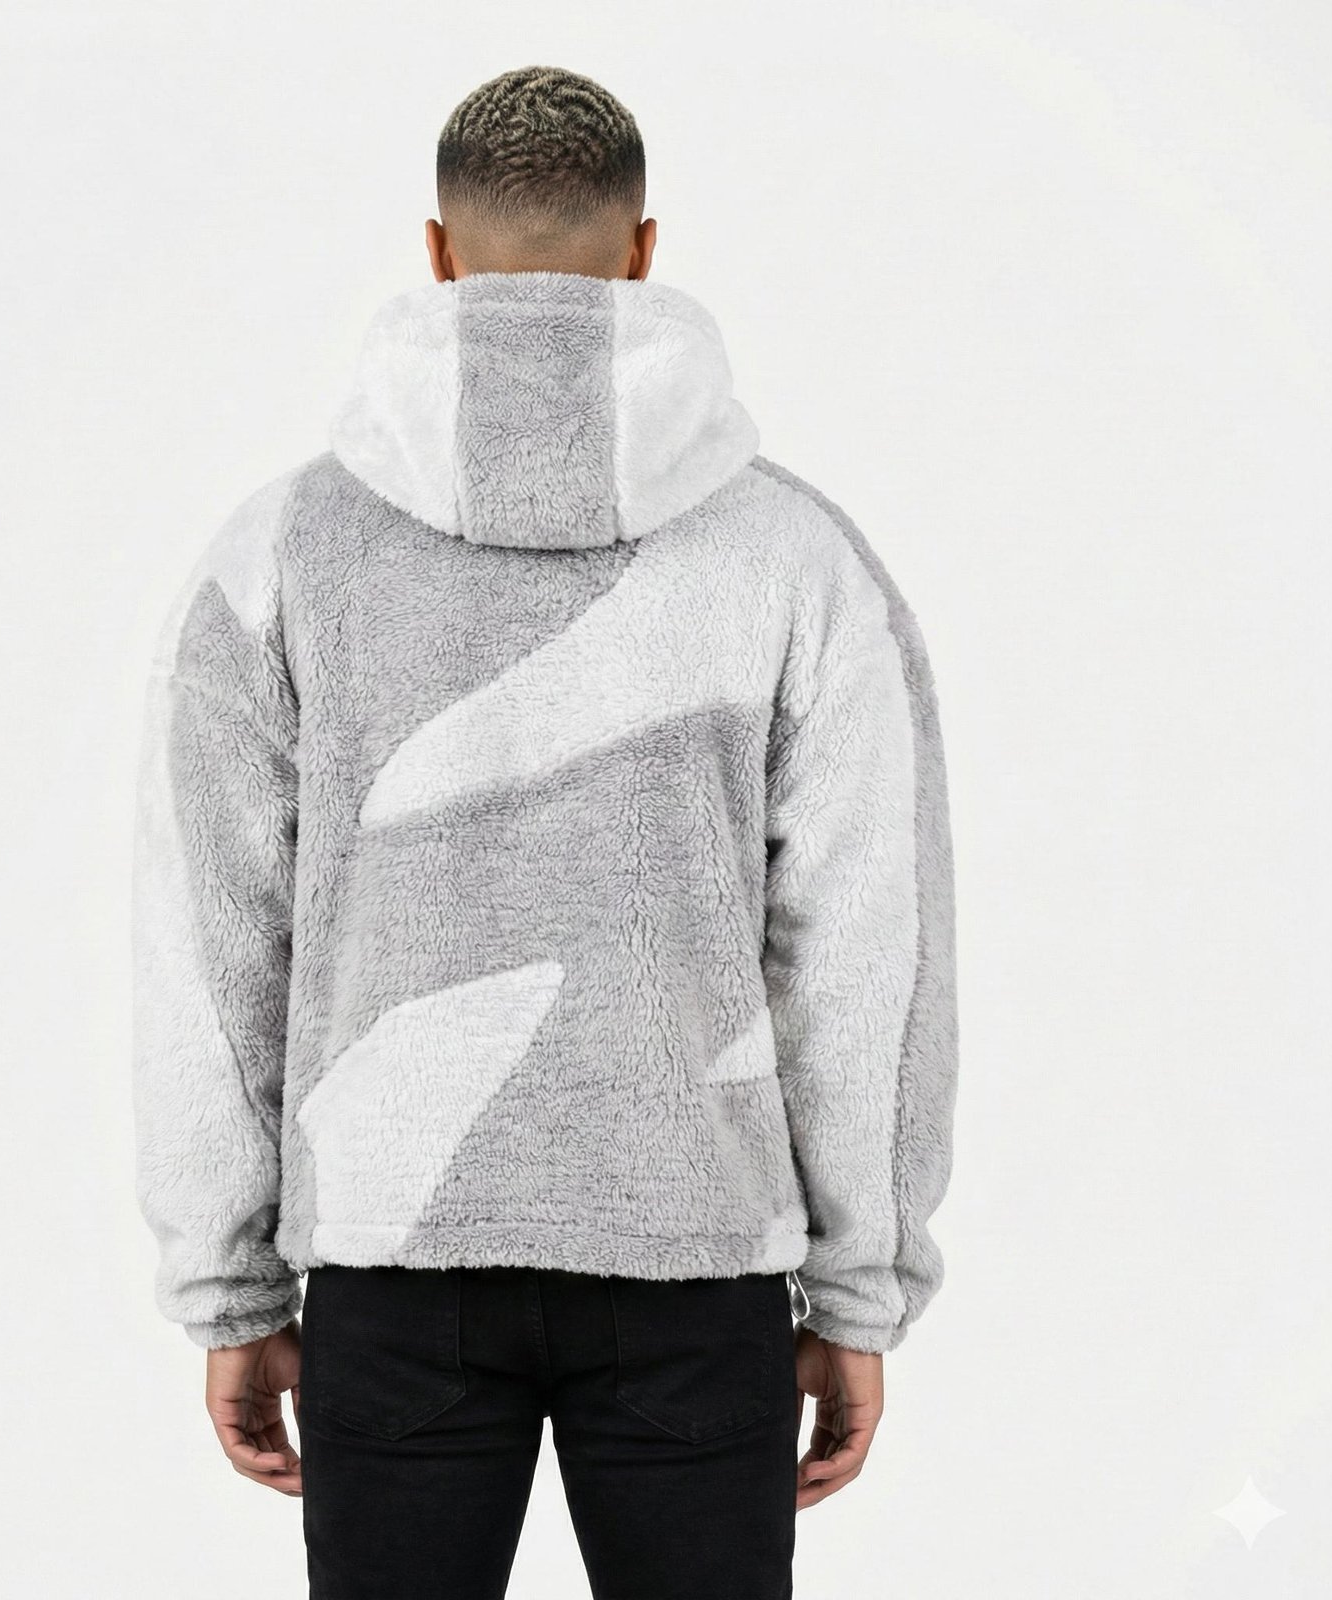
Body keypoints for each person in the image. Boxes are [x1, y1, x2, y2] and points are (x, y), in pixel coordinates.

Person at [130, 62, 959, 1600]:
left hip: (392, 1259)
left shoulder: (283, 550)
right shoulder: (794, 557)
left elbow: (212, 943)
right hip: (698, 1256)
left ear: (436, 255)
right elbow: (868, 951)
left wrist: (226, 1285)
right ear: (643, 252)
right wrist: (860, 1287)